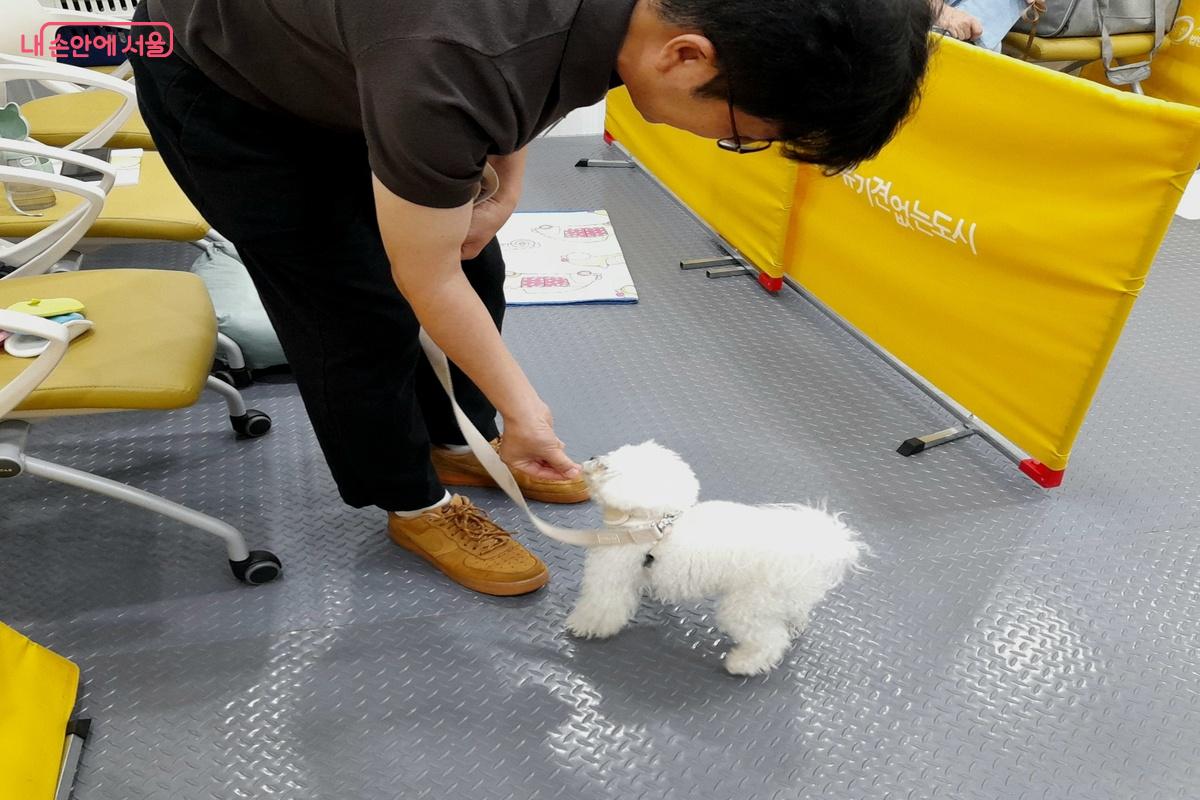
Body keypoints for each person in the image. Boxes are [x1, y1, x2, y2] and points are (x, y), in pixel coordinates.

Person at [129, 0, 933, 597]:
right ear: (687, 57)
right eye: (740, 132)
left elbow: (522, 81)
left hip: (372, 56)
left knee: (480, 260)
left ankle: (457, 442)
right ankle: (412, 500)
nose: (731, 144)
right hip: (225, 80)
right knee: (351, 306)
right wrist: (529, 410)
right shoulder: (451, 54)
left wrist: (504, 187)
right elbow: (425, 267)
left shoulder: (624, 25)